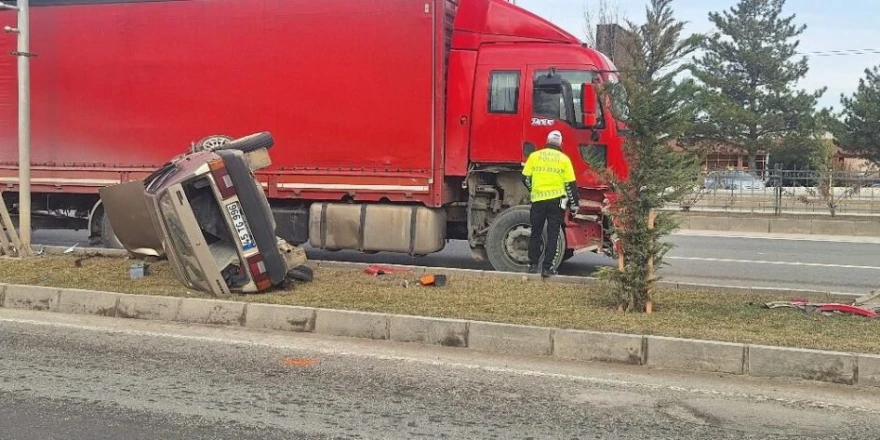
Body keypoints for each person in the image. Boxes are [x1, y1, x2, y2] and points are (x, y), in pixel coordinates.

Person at [522, 130, 579, 277]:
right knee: (553, 233)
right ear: (561, 143)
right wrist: (574, 205)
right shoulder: (564, 159)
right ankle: (547, 268)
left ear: (546, 141)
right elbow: (570, 185)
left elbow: (525, 179)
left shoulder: (534, 156)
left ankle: (533, 265)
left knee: (536, 232)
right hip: (557, 202)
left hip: (538, 200)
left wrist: (533, 189)